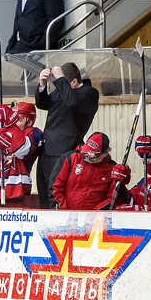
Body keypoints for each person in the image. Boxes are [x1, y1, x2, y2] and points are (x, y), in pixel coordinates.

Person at [35, 62, 99, 209]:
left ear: (75, 82)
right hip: (47, 149)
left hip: (65, 151)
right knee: (44, 191)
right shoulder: (63, 90)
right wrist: (42, 84)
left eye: (63, 82)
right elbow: (43, 103)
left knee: (56, 193)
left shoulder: (89, 93)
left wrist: (61, 80)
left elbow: (72, 103)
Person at [0, 103, 43, 208]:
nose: (15, 123)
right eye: (13, 118)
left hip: (18, 194)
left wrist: (10, 125)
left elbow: (22, 149)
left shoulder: (35, 133)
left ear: (29, 122)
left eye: (19, 120)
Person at [51, 132, 131, 210]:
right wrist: (64, 212)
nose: (88, 157)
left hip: (95, 218)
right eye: (86, 152)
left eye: (94, 155)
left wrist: (94, 214)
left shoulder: (112, 169)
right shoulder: (70, 158)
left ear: (105, 154)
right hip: (67, 215)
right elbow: (55, 187)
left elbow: (112, 198)